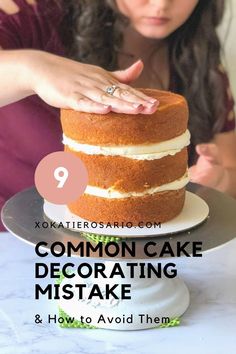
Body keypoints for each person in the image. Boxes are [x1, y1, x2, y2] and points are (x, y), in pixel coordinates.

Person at [0, 0, 235, 231]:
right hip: (16, 246)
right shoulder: (36, 14)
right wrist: (31, 68)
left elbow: (230, 169)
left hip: (145, 255)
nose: (161, 4)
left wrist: (218, 182)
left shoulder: (205, 71)